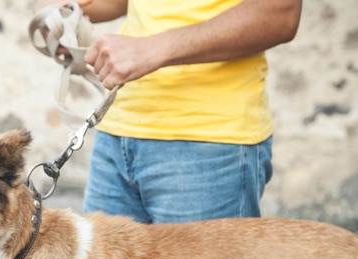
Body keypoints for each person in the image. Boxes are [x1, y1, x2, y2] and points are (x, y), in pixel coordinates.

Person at [34, 0, 303, 223]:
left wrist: (154, 49)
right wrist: (67, 11)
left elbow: (280, 13)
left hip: (210, 144)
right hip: (116, 135)